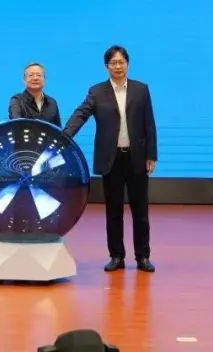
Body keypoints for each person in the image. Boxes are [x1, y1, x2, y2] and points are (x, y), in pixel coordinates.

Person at [62, 45, 157, 273]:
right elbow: (81, 114)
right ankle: (116, 256)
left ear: (127, 64)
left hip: (136, 158)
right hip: (110, 159)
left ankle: (143, 256)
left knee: (140, 211)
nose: (118, 66)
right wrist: (64, 136)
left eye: (121, 62)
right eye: (113, 63)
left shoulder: (141, 90)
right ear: (106, 67)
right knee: (113, 211)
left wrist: (151, 155)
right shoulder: (97, 92)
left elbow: (149, 124)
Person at [7, 62, 62, 127]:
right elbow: (17, 124)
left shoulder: (52, 103)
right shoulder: (17, 100)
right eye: (31, 75)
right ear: (24, 80)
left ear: (44, 79)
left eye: (39, 75)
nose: (35, 78)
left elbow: (57, 129)